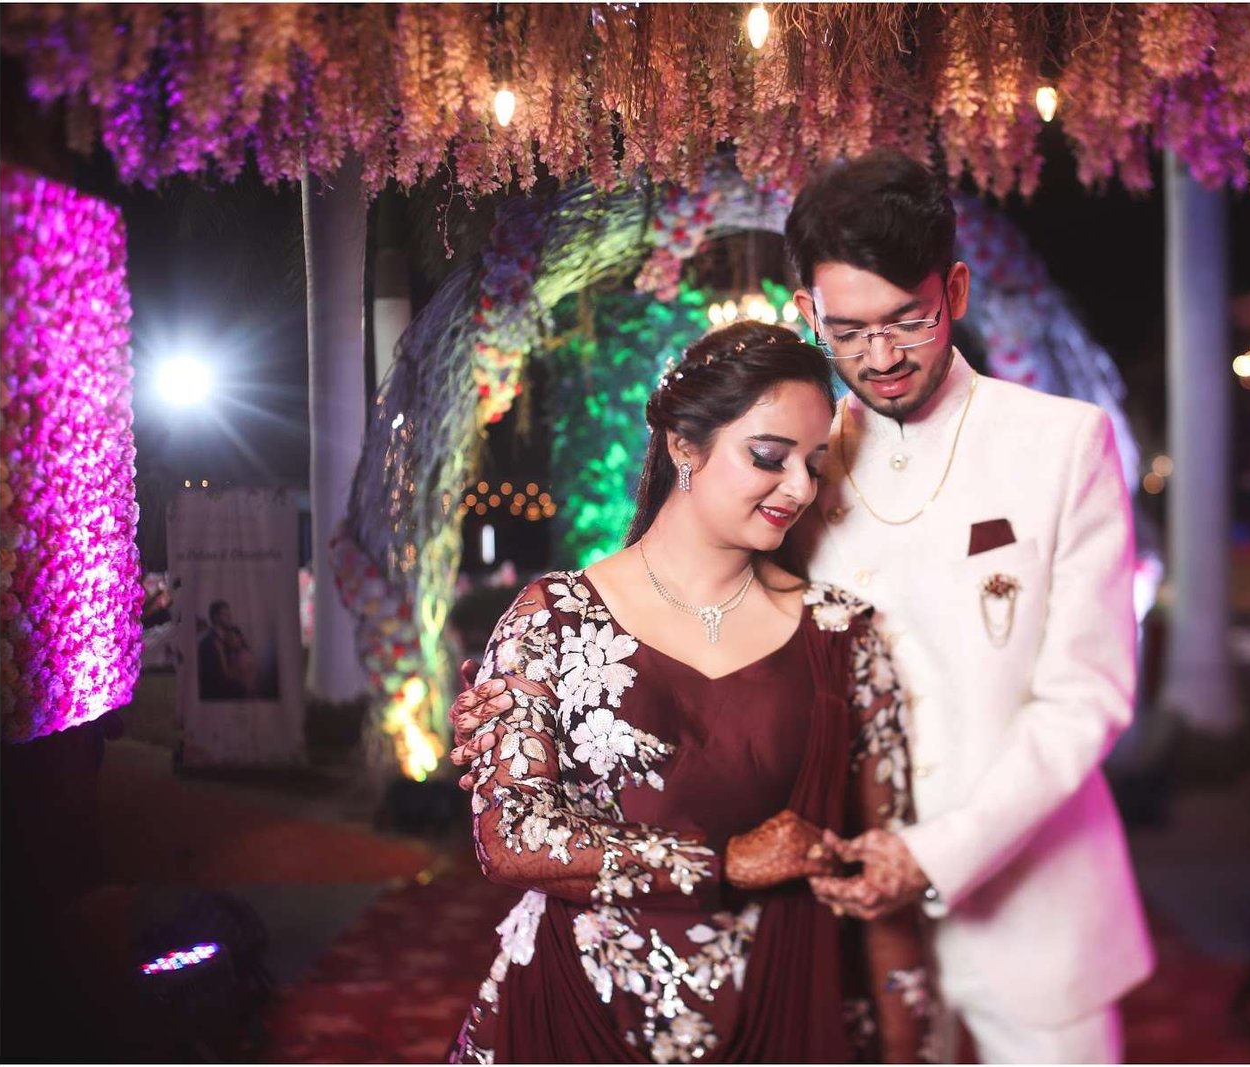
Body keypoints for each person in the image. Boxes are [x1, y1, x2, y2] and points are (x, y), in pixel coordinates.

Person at [452, 151, 1155, 1062]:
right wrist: (518, 706)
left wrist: (933, 853)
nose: (882, 356)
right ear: (808, 312)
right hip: (829, 927)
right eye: (849, 330)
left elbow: (1086, 696)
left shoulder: (1059, 443)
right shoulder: (797, 448)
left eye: (908, 320)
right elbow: (693, 614)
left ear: (955, 291)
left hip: (1030, 916)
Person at [446, 321, 928, 1065]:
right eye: (768, 457)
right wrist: (720, 861)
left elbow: (880, 875)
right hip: (576, 1014)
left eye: (813, 463)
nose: (800, 488)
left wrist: (909, 1046)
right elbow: (509, 838)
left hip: (785, 1011)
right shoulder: (554, 619)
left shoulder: (840, 635)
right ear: (683, 446)